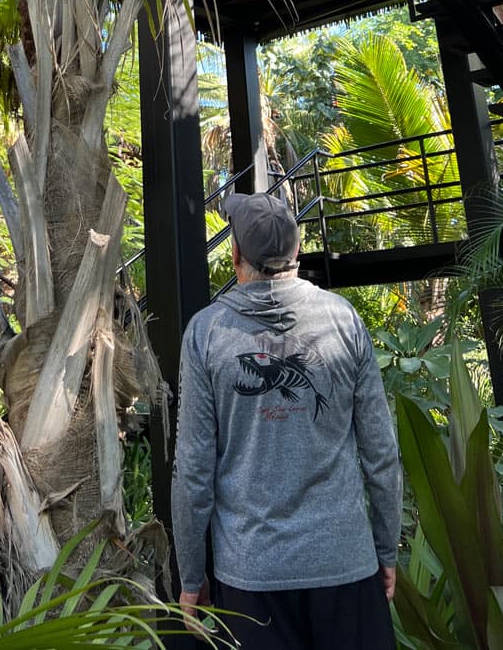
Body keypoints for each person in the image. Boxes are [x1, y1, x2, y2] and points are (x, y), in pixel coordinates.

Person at [171, 191, 401, 649]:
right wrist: (385, 548)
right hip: (345, 565)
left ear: (235, 254)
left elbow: (193, 472)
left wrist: (192, 577)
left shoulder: (206, 333)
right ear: (297, 251)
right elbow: (381, 452)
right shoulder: (344, 320)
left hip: (252, 579)